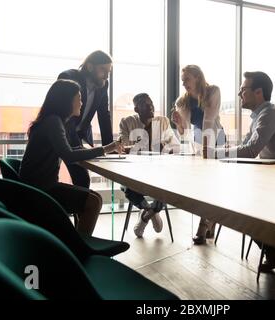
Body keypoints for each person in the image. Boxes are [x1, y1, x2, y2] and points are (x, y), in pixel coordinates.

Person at [216, 71, 275, 272]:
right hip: (272, 178)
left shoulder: (269, 114)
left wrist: (215, 153)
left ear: (259, 92)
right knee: (237, 202)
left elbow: (251, 150)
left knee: (240, 205)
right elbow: (246, 146)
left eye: (243, 90)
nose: (239, 94)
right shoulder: (258, 117)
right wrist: (220, 153)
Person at [19, 79, 122, 236]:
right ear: (67, 100)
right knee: (94, 202)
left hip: (35, 186)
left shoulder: (51, 120)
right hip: (41, 190)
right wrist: (106, 149)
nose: (82, 102)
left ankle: (76, 243)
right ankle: (79, 248)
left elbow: (63, 150)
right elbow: (68, 155)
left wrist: (85, 149)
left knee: (95, 198)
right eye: (79, 98)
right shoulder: (54, 122)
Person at [171, 65, 225, 245]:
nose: (183, 83)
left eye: (186, 79)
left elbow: (208, 121)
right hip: (197, 140)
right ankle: (210, 222)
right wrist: (179, 123)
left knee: (212, 183)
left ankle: (204, 226)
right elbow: (185, 131)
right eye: (182, 79)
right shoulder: (182, 101)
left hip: (215, 137)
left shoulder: (212, 92)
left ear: (197, 77)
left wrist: (206, 153)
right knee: (203, 184)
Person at [119, 93, 179, 238]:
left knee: (169, 186)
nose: (150, 106)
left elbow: (175, 146)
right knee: (128, 186)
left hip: (159, 173)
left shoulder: (163, 121)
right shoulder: (127, 122)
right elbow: (124, 147)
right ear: (136, 109)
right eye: (145, 104)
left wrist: (165, 147)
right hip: (135, 173)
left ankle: (146, 216)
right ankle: (150, 212)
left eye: (151, 103)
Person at [58, 50, 113, 188]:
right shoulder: (68, 77)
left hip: (81, 133)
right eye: (103, 70)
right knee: (52, 173)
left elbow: (104, 116)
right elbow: (67, 116)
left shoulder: (102, 85)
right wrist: (77, 145)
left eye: (109, 71)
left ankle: (79, 208)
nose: (106, 76)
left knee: (82, 180)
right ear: (89, 67)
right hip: (60, 133)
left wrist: (110, 147)